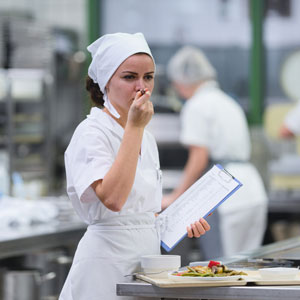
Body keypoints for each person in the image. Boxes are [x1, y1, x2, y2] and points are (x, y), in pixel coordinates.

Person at [59, 33, 210, 300]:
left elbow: (141, 216)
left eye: (148, 77)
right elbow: (114, 200)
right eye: (129, 77)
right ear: (105, 82)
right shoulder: (92, 132)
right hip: (105, 269)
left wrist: (180, 221)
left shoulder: (145, 137)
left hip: (145, 266)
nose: (142, 87)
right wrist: (135, 127)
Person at [165, 46, 268, 259]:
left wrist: (176, 196)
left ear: (181, 81)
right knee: (246, 267)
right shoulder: (228, 102)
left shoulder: (196, 105)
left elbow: (199, 157)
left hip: (225, 192)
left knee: (222, 267)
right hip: (252, 189)